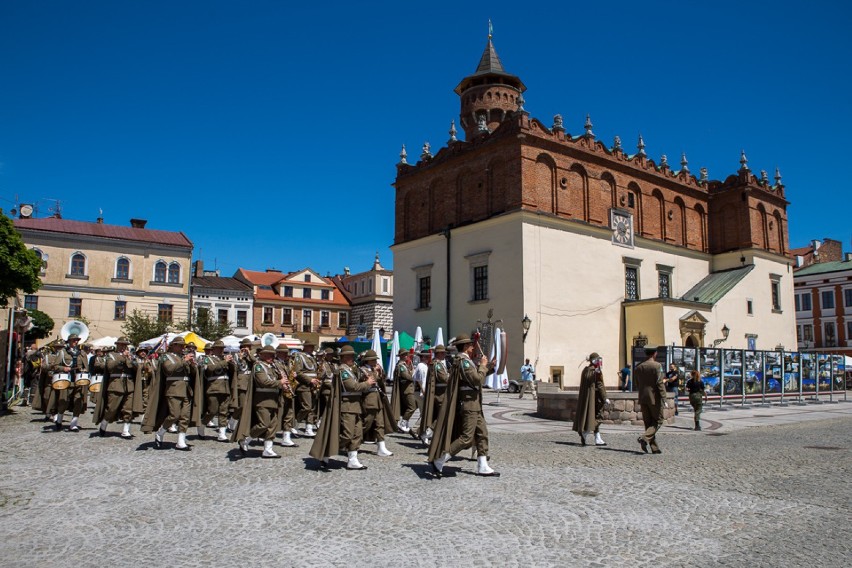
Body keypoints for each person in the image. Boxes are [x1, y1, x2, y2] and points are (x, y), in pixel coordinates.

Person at [428, 334, 497, 477]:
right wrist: (483, 366)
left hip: (475, 404)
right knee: (466, 437)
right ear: (465, 347)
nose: (473, 347)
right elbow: (477, 379)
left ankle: (483, 465)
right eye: (471, 345)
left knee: (482, 434)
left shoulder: (466, 361)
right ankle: (439, 459)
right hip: (469, 405)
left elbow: (476, 376)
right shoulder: (463, 362)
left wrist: (489, 367)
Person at [309, 344, 374, 470]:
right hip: (347, 406)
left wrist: (366, 378)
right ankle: (326, 450)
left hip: (356, 405)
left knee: (357, 434)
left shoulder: (351, 370)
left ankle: (352, 460)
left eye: (352, 356)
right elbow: (352, 387)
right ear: (343, 358)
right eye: (349, 356)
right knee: (347, 434)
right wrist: (367, 383)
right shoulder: (343, 371)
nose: (352, 358)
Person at [142, 336, 203, 451]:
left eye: (183, 346)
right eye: (179, 345)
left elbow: (192, 373)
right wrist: (183, 362)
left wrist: (192, 364)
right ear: (173, 346)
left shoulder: (182, 357)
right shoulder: (166, 357)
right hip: (173, 389)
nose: (182, 348)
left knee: (185, 416)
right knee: (174, 414)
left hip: (186, 389)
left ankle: (181, 441)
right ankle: (160, 433)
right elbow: (169, 369)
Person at [233, 346, 287, 459]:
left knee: (272, 425)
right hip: (262, 400)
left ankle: (268, 449)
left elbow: (277, 380)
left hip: (274, 399)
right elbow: (263, 381)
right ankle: (245, 439)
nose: (270, 357)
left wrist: (284, 384)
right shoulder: (258, 366)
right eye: (268, 355)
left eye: (272, 355)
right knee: (264, 424)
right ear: (262, 355)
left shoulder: (273, 366)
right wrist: (280, 382)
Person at [94, 337, 144, 439]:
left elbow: (136, 368)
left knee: (128, 409)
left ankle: (126, 430)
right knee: (111, 408)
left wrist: (132, 361)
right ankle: (104, 423)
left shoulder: (130, 356)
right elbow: (110, 367)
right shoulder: (111, 355)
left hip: (129, 384)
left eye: (125, 345)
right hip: (115, 384)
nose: (123, 347)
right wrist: (122, 357)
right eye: (121, 344)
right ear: (117, 345)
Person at [47, 334, 88, 432]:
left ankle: (73, 424)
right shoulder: (62, 352)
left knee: (78, 401)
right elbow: (55, 366)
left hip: (78, 380)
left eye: (77, 340)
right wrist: (63, 368)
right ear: (69, 341)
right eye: (74, 340)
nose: (76, 342)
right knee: (63, 401)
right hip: (66, 380)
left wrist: (84, 370)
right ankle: (59, 419)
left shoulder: (82, 353)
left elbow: (86, 366)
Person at [359, 349, 395, 457]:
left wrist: (380, 371)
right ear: (368, 360)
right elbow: (370, 381)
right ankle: (351, 441)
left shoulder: (373, 369)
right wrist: (376, 372)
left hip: (377, 399)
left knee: (380, 424)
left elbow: (381, 380)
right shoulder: (362, 370)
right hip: (369, 399)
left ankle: (381, 447)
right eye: (373, 360)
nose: (375, 361)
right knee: (366, 423)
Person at [572, 352, 611, 446]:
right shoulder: (596, 371)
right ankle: (586, 432)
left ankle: (598, 438)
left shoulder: (585, 370)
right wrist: (605, 398)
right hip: (596, 398)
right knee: (599, 417)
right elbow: (600, 385)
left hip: (588, 398)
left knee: (592, 416)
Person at [634, 346, 668, 454]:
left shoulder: (639, 366)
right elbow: (659, 383)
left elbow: (637, 383)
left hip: (643, 397)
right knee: (658, 420)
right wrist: (664, 397)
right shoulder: (657, 366)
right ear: (655, 354)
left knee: (648, 422)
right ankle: (644, 438)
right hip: (654, 397)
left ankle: (654, 447)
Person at [199, 340, 234, 441]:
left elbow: (233, 371)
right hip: (213, 388)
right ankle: (202, 424)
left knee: (224, 411)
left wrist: (231, 363)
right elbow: (211, 369)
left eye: (222, 348)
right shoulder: (208, 359)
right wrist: (225, 362)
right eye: (218, 348)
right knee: (212, 410)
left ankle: (222, 434)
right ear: (213, 350)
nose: (221, 350)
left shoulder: (225, 359)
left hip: (225, 387)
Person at [418, 345, 449, 446]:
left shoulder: (435, 363)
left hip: (438, 393)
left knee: (435, 415)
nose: (445, 354)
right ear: (439, 353)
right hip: (440, 394)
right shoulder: (437, 364)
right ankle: (428, 433)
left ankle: (429, 433)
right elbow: (444, 378)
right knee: (442, 415)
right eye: (443, 353)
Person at [292, 340, 320, 437]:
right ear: (305, 347)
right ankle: (295, 423)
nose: (312, 348)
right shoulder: (299, 356)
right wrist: (310, 380)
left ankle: (309, 427)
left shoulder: (312, 357)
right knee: (306, 407)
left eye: (312, 346)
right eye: (310, 346)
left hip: (313, 385)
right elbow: (298, 372)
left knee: (312, 408)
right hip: (304, 385)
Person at [273, 344, 297, 447]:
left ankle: (286, 437)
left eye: (286, 352)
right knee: (277, 414)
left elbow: (289, 375)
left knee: (289, 413)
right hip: (279, 391)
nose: (285, 354)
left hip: (289, 390)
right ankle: (268, 436)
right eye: (283, 352)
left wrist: (293, 377)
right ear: (278, 353)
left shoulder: (287, 363)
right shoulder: (275, 363)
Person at [229, 338, 254, 432]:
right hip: (242, 382)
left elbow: (255, 363)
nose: (247, 348)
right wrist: (240, 358)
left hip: (250, 382)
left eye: (248, 346)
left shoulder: (252, 356)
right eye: (245, 346)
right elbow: (237, 368)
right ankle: (233, 420)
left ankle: (244, 424)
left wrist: (249, 355)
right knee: (242, 405)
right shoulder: (236, 355)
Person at [391, 350, 416, 433]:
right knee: (412, 407)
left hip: (408, 389)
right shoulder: (401, 366)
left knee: (408, 407)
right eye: (404, 355)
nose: (406, 356)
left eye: (406, 354)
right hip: (406, 390)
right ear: (401, 356)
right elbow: (406, 376)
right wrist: (413, 374)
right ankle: (403, 423)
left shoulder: (405, 365)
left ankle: (405, 423)